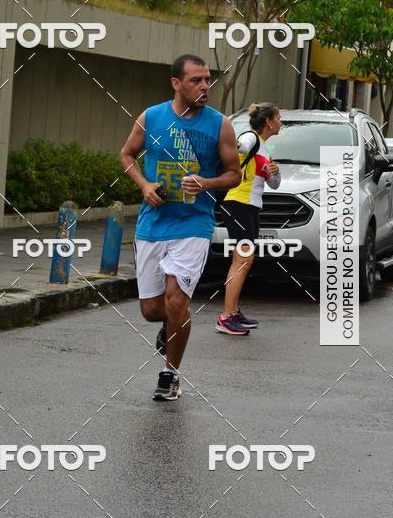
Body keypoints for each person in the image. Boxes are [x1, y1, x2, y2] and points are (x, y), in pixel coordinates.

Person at [120, 54, 241, 400]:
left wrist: (206, 182)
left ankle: (170, 374)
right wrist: (144, 186)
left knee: (176, 302)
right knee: (152, 310)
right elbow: (127, 155)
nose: (205, 86)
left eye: (207, 80)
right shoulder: (152, 117)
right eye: (196, 80)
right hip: (153, 224)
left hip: (194, 224)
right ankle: (170, 327)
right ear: (176, 83)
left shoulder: (220, 125)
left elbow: (235, 174)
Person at [216, 102, 281, 335]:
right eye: (278, 117)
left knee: (245, 260)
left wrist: (276, 172)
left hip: (251, 207)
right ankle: (225, 317)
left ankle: (233, 313)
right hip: (238, 204)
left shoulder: (264, 148)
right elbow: (238, 146)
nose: (281, 122)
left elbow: (273, 184)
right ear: (269, 122)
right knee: (242, 260)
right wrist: (235, 144)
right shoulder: (251, 138)